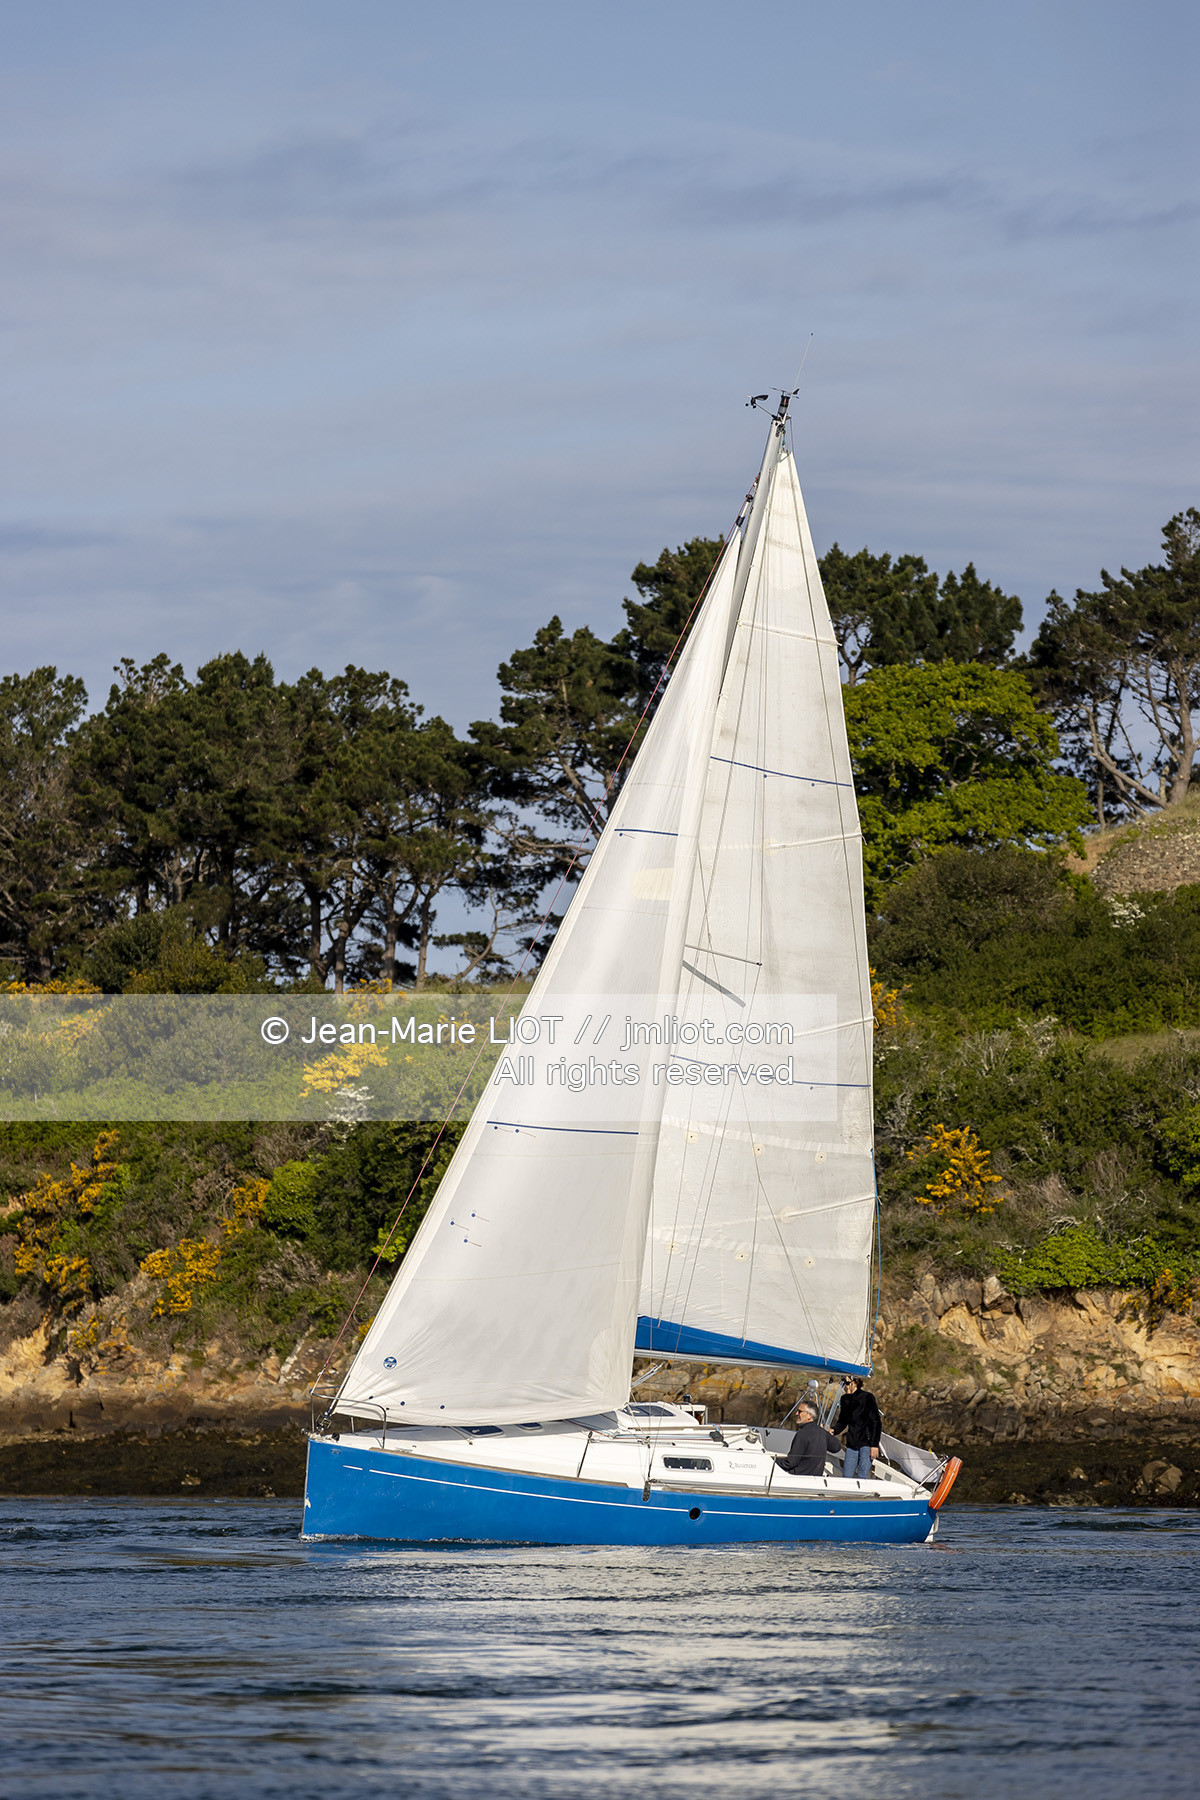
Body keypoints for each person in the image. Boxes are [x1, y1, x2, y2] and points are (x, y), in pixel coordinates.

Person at [833, 1375, 882, 1479]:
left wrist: (874, 1445)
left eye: (846, 1383)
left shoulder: (867, 1397)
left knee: (862, 1475)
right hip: (852, 1443)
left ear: (855, 1382)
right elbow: (843, 1421)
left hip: (867, 1443)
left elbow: (876, 1422)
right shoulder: (845, 1399)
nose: (844, 1387)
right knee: (846, 1475)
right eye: (842, 1384)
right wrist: (833, 1430)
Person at [775, 1402, 841, 1477]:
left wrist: (773, 1460)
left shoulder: (802, 1434)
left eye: (800, 1411)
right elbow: (837, 1447)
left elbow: (791, 1463)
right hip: (816, 1478)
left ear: (809, 1415)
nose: (796, 1413)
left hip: (799, 1477)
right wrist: (826, 1433)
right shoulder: (822, 1433)